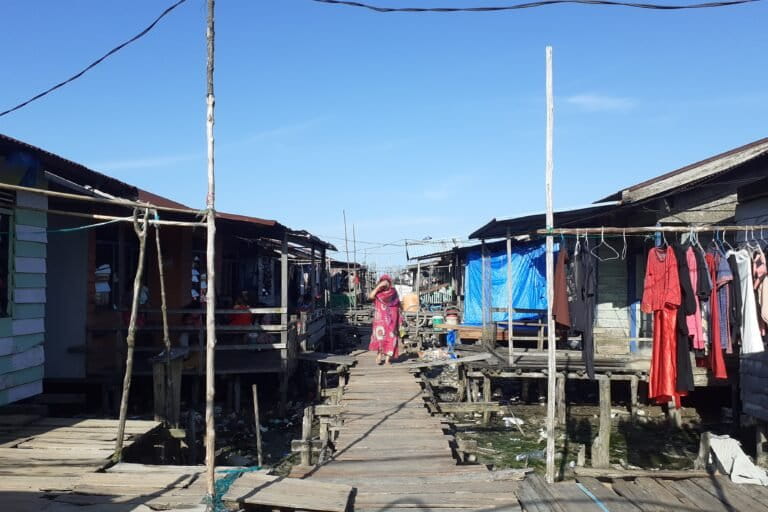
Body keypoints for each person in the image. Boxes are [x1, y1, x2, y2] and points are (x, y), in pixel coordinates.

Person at [368, 275, 401, 365]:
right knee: (380, 338)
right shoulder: (378, 294)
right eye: (382, 281)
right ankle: (379, 355)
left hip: (392, 320)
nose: (384, 284)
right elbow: (370, 296)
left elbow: (398, 305)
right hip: (380, 320)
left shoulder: (393, 292)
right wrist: (378, 287)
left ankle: (387, 359)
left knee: (391, 338)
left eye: (386, 282)